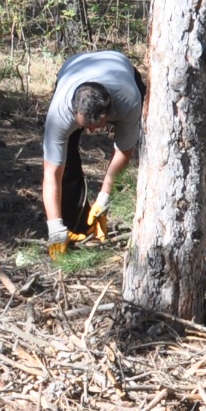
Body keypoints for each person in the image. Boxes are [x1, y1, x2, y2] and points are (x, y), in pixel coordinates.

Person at [40, 50, 145, 257]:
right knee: (66, 161)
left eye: (96, 126)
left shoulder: (128, 101)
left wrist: (105, 196)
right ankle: (73, 224)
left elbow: (123, 151)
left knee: (150, 137)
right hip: (73, 68)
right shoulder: (60, 113)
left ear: (108, 113)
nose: (90, 132)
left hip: (121, 70)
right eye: (84, 126)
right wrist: (54, 227)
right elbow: (51, 174)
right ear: (73, 111)